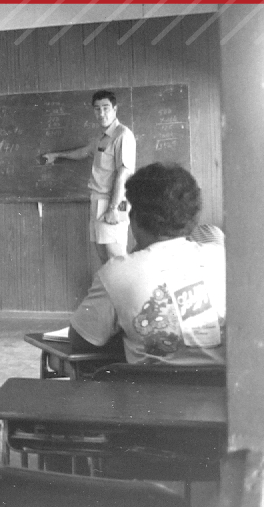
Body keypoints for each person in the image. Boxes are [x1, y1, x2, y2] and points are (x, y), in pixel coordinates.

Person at [69, 163, 225, 365]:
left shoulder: (117, 273)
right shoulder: (222, 259)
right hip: (218, 393)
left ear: (135, 218)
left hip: (149, 394)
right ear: (193, 217)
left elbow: (81, 340)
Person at [43, 90, 136, 264]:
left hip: (113, 202)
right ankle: (109, 291)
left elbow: (123, 174)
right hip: (98, 201)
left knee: (117, 259)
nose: (101, 113)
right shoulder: (101, 137)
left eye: (106, 108)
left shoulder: (122, 135)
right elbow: (84, 152)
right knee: (104, 258)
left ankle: (119, 292)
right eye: (97, 109)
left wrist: (113, 208)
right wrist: (57, 155)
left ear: (115, 109)